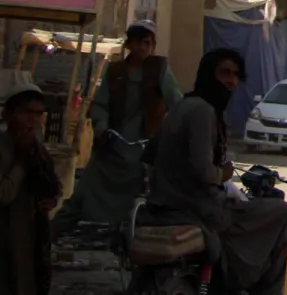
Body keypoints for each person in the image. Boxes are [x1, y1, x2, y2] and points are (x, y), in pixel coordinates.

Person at [146, 49, 287, 295]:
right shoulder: (203, 111)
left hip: (166, 202)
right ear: (208, 74)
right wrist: (224, 174)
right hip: (197, 208)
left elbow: (149, 154)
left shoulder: (182, 105)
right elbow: (204, 171)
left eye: (235, 75)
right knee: (281, 211)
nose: (231, 80)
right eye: (224, 72)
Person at [54, 20, 181, 232]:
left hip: (142, 150)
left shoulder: (160, 70)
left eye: (147, 43)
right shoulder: (115, 71)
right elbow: (100, 104)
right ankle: (52, 235)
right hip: (113, 146)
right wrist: (102, 127)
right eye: (137, 42)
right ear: (129, 45)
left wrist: (170, 131)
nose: (142, 48)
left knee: (146, 197)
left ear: (152, 46)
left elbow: (176, 102)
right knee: (84, 193)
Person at [0, 83, 63, 294]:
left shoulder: (36, 148)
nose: (33, 120)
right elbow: (3, 195)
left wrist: (52, 198)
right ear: (8, 114)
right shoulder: (5, 147)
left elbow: (52, 183)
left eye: (38, 114)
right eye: (26, 113)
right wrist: (20, 160)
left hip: (31, 234)